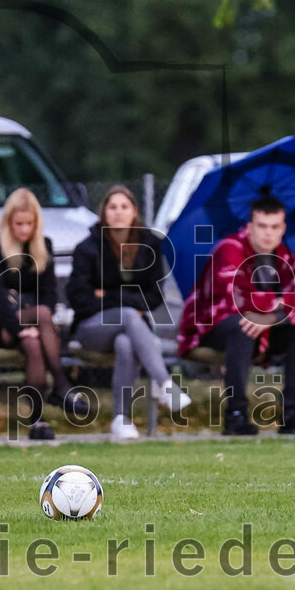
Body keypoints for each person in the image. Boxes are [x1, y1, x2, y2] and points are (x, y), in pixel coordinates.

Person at [178, 195, 295, 436]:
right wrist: (279, 303)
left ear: (283, 228)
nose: (268, 233)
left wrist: (270, 318)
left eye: (274, 227)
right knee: (242, 327)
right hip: (210, 326)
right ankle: (236, 413)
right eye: (262, 226)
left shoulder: (283, 255)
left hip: (261, 326)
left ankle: (293, 413)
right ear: (250, 226)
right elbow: (236, 297)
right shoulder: (229, 248)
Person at [67, 185, 190, 440]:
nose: (118, 212)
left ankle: (121, 420)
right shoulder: (87, 248)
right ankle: (165, 384)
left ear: (134, 211)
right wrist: (128, 303)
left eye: (124, 206)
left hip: (133, 331)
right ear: (104, 212)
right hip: (92, 328)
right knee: (128, 315)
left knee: (125, 343)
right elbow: (80, 299)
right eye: (112, 207)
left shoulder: (150, 244)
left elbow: (155, 297)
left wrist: (106, 295)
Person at [0, 188, 88, 440]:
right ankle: (62, 384)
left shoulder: (44, 246)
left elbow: (50, 293)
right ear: (8, 222)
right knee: (43, 316)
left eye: (29, 223)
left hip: (35, 324)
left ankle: (38, 421)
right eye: (19, 224)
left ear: (37, 223)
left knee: (34, 343)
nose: (24, 229)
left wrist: (29, 329)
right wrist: (19, 328)